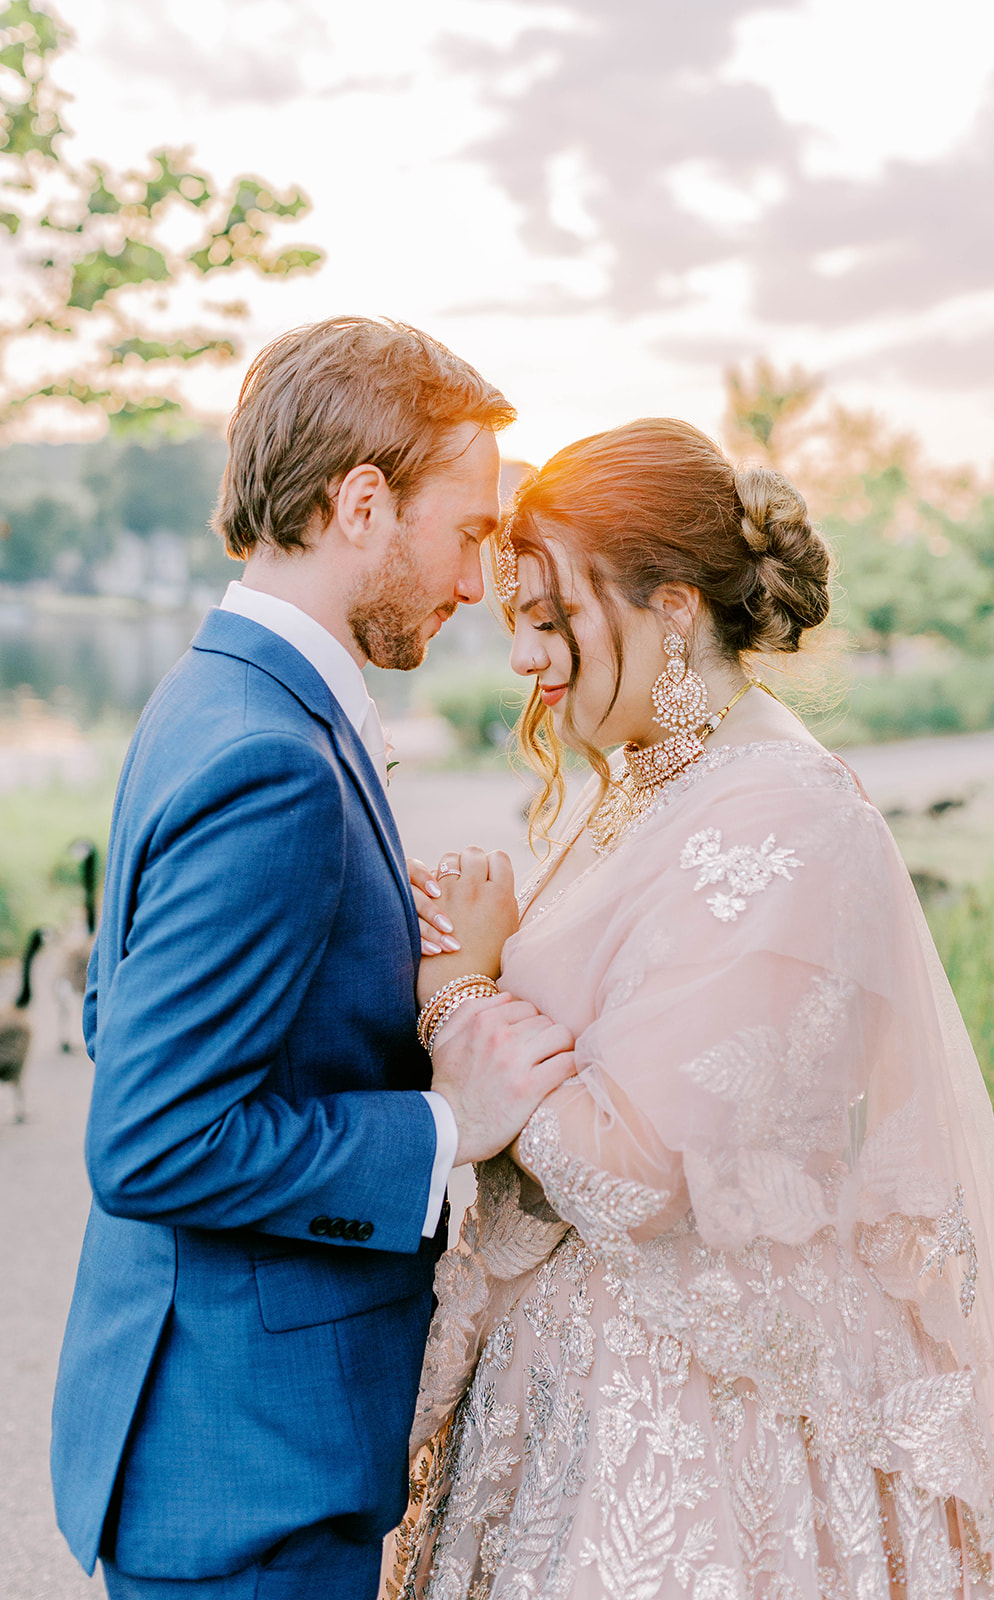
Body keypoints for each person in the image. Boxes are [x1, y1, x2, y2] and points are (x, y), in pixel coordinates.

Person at [389, 418, 994, 1598]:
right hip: (578, 1393)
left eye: (552, 616)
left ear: (670, 608)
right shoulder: (644, 787)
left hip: (710, 1419)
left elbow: (632, 1167)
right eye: (516, 621)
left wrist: (460, 999)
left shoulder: (782, 814)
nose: (525, 656)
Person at [50, 316, 576, 1600]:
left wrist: (373, 940)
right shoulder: (271, 760)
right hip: (247, 1469)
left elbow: (123, 1011)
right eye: (466, 533)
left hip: (220, 1432)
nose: (474, 583)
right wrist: (447, 1124)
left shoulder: (215, 691)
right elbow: (150, 1141)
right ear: (362, 505)